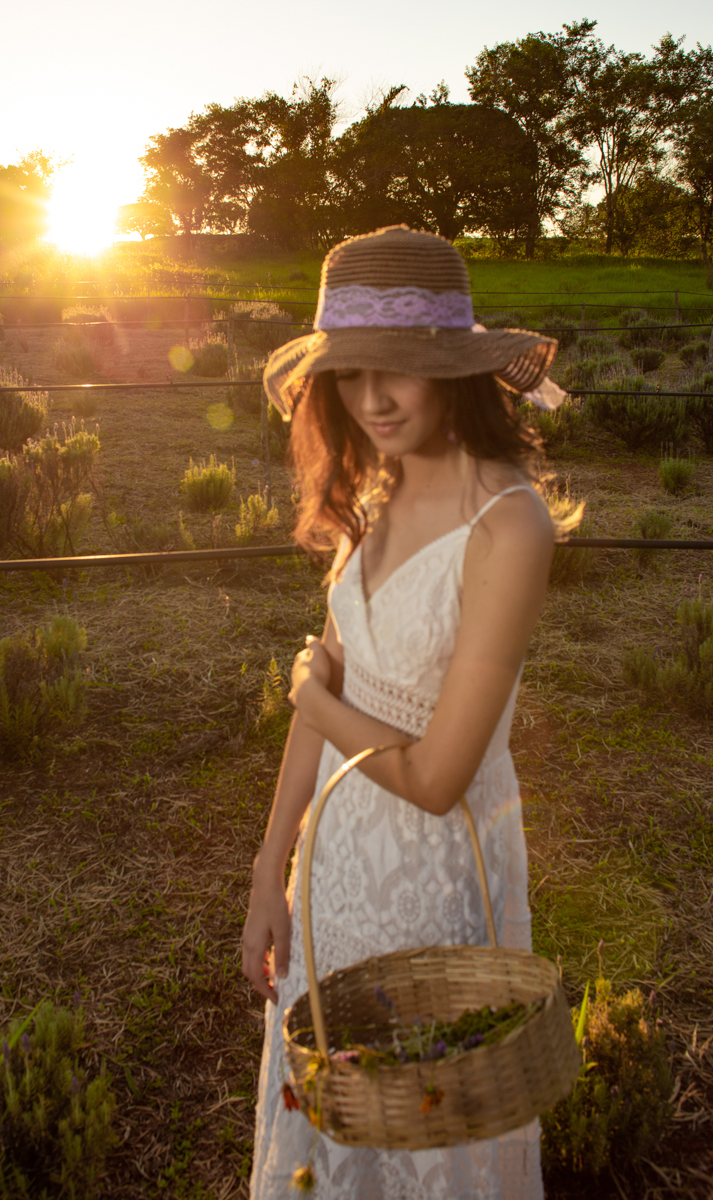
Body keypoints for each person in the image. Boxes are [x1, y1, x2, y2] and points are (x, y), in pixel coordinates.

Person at [242, 225, 568, 1200]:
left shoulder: (506, 526)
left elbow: (433, 780)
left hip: (431, 881)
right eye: (349, 376)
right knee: (336, 1112)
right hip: (331, 865)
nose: (372, 400)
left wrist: (311, 692)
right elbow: (328, 699)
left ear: (455, 372)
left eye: (400, 372)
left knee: (425, 1121)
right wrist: (268, 876)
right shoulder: (375, 493)